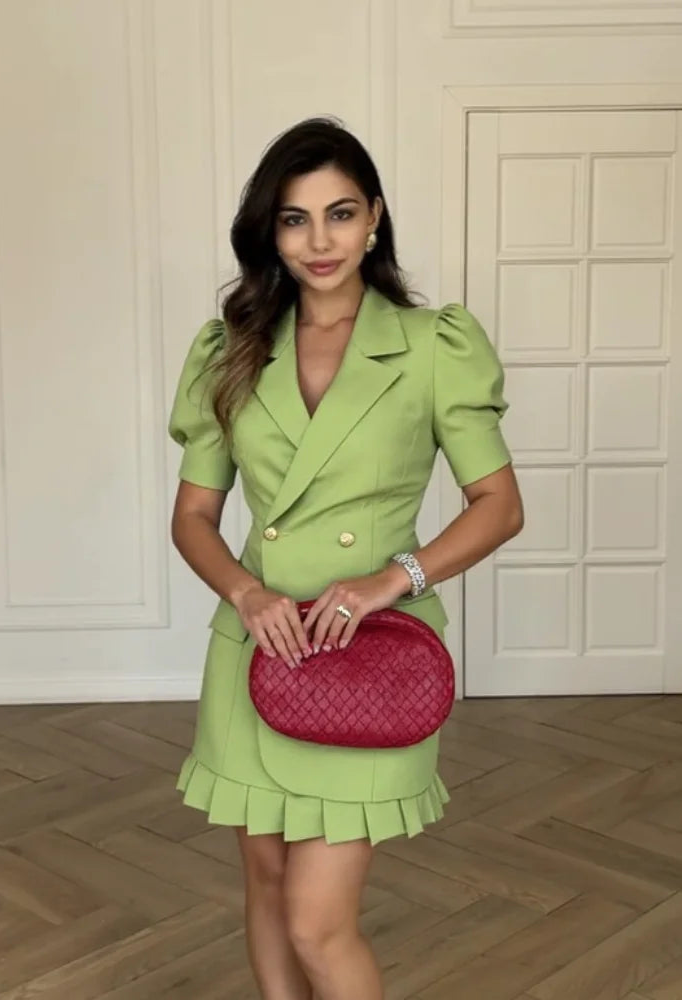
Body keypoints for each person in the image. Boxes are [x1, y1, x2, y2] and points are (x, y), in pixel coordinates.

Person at [168, 116, 523, 1000]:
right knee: (265, 882)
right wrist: (246, 594)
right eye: (295, 219)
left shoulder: (434, 346)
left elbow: (500, 506)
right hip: (257, 646)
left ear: (374, 219)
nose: (319, 241)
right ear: (270, 231)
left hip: (370, 656)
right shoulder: (231, 348)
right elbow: (195, 518)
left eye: (340, 213)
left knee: (317, 924)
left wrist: (392, 579)